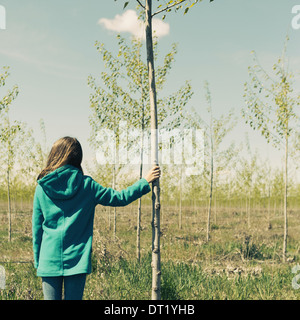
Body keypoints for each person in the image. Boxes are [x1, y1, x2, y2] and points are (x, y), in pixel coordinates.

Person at [32, 136, 161, 300]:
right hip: (77, 260)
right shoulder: (87, 185)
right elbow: (119, 198)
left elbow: (37, 230)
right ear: (78, 157)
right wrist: (144, 182)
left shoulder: (42, 188)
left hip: (48, 259)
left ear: (54, 155)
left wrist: (38, 262)